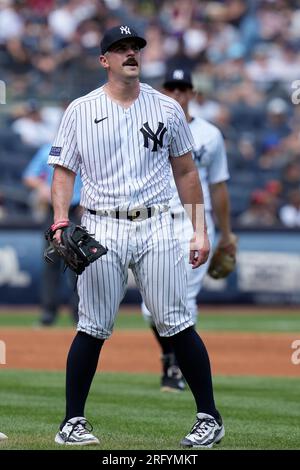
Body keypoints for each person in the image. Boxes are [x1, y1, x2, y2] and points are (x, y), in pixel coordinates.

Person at [48, 25, 224, 448]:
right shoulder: (79, 110)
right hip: (101, 223)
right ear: (104, 60)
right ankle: (72, 422)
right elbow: (63, 172)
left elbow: (187, 172)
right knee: (92, 326)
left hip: (159, 223)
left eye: (135, 48)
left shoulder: (166, 109)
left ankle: (209, 417)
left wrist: (199, 229)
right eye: (120, 48)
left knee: (176, 321)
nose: (130, 53)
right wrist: (59, 221)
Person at [141, 68, 237, 392]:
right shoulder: (149, 126)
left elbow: (219, 186)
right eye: (172, 88)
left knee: (185, 300)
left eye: (183, 88)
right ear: (162, 91)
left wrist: (225, 233)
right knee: (148, 308)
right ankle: (171, 357)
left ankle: (177, 369)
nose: (178, 94)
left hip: (196, 219)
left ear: (193, 93)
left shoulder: (210, 134)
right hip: (156, 219)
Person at [23, 143, 82, 326]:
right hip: (53, 210)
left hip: (78, 210)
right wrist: (41, 186)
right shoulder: (49, 149)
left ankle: (80, 314)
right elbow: (29, 176)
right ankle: (48, 312)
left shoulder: (87, 147)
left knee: (79, 264)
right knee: (51, 261)